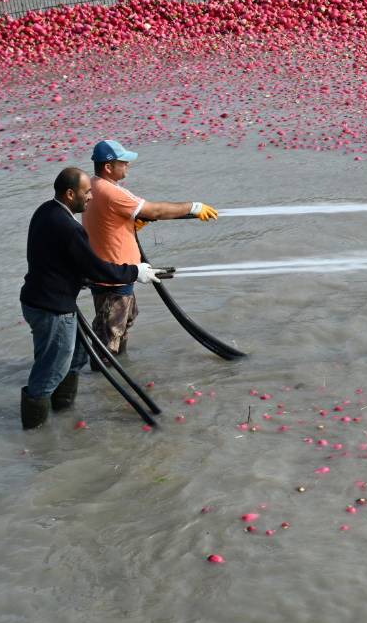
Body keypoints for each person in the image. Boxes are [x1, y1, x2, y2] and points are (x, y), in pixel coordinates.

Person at [19, 167, 162, 430]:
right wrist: (135, 271)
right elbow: (95, 268)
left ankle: (63, 413)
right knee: (50, 371)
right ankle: (34, 435)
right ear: (70, 193)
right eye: (86, 193)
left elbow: (55, 260)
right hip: (52, 309)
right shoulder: (69, 228)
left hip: (38, 300)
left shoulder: (44, 211)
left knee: (76, 357)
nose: (91, 198)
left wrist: (78, 278)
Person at [84, 140, 218, 357]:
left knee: (118, 331)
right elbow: (154, 211)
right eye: (123, 162)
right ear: (108, 167)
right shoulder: (111, 192)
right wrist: (193, 207)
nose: (128, 165)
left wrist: (130, 224)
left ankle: (109, 384)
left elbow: (107, 222)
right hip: (113, 278)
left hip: (115, 274)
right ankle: (108, 381)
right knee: (107, 344)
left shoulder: (94, 186)